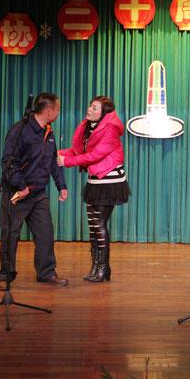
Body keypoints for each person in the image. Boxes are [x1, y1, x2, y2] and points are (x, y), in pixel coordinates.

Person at [0, 92, 69, 291]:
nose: (58, 112)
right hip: (17, 193)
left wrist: (61, 185)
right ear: (48, 110)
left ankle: (46, 273)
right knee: (10, 235)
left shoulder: (48, 133)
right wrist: (21, 186)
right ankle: (5, 276)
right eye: (57, 109)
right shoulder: (20, 130)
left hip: (38, 194)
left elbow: (53, 161)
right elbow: (9, 162)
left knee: (45, 234)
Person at [57, 96, 130, 283]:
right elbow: (79, 151)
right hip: (96, 178)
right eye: (90, 106)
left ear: (104, 113)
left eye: (95, 108)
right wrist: (58, 153)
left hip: (109, 179)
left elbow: (96, 155)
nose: (89, 109)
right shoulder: (89, 127)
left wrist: (67, 161)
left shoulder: (110, 128)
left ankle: (102, 267)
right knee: (94, 225)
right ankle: (98, 267)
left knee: (98, 224)